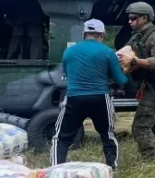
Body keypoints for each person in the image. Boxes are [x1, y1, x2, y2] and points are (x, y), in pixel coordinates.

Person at [51, 18, 127, 169]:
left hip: (74, 97)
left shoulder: (69, 52)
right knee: (108, 135)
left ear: (84, 33)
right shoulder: (107, 52)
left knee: (61, 138)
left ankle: (54, 171)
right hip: (100, 98)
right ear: (102, 34)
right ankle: (112, 169)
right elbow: (121, 80)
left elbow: (68, 74)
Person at [118, 2, 155, 161]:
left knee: (140, 127)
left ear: (145, 18)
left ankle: (149, 161)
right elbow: (124, 52)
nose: (129, 21)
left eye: (133, 18)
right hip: (149, 85)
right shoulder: (137, 37)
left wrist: (135, 61)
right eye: (129, 18)